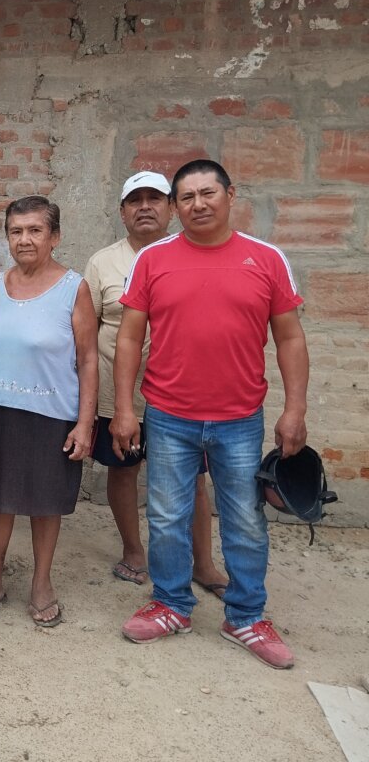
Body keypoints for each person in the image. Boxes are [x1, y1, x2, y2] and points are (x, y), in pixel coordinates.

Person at [113, 159, 308, 670]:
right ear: (176, 207)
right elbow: (130, 337)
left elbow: (289, 337)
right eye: (187, 197)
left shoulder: (265, 259)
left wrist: (295, 409)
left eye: (208, 193)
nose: (198, 204)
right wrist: (125, 410)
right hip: (169, 414)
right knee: (166, 517)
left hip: (239, 417)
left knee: (245, 520)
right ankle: (171, 605)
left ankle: (245, 616)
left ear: (230, 195)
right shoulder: (154, 259)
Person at [84, 171, 228, 594]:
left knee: (193, 480)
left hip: (179, 395)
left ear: (170, 208)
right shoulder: (102, 263)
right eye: (134, 200)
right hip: (118, 395)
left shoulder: (193, 254)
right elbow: (87, 333)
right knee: (124, 472)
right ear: (122, 212)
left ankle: (203, 563)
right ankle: (133, 550)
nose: (144, 207)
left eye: (154, 198)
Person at [0, 196, 97, 627]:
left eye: (35, 230)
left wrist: (84, 422)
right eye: (16, 231)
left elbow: (89, 358)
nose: (25, 239)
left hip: (50, 413)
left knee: (46, 504)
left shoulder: (71, 288)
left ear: (54, 236)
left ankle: (42, 583)